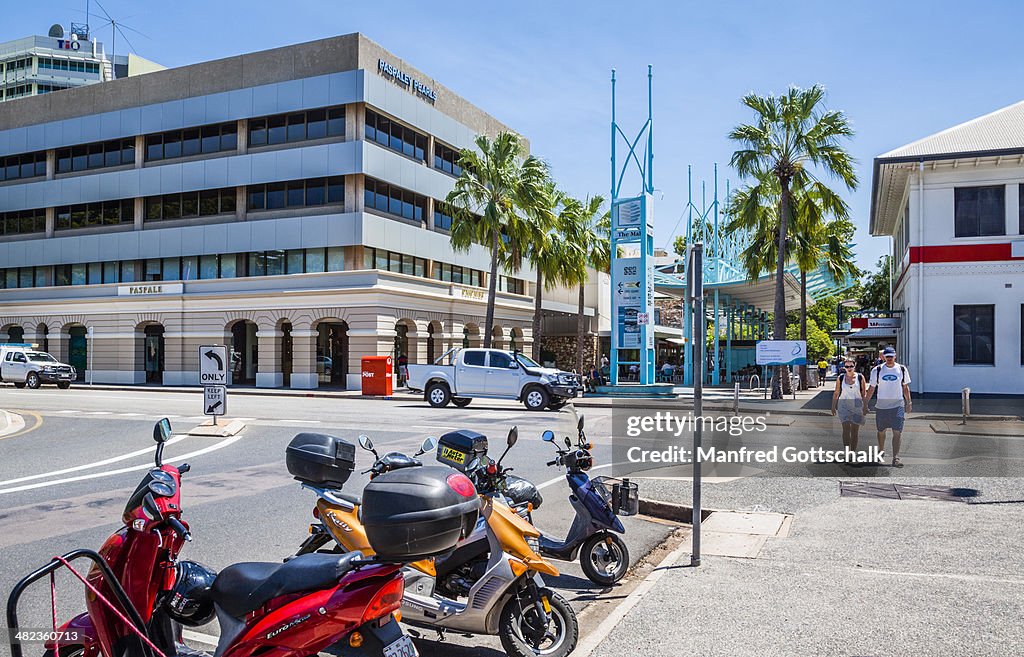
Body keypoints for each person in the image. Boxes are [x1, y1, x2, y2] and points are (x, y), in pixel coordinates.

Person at [865, 346, 912, 467]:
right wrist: (865, 403)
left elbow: (905, 387)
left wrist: (909, 402)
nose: (889, 358)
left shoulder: (901, 369)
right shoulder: (877, 370)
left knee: (897, 432)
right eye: (887, 356)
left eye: (891, 356)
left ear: (895, 356)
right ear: (884, 357)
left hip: (898, 405)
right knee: (881, 431)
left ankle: (896, 457)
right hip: (881, 407)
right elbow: (871, 388)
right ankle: (881, 451)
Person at [831, 358, 867, 454]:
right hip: (844, 406)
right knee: (846, 430)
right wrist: (833, 406)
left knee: (855, 432)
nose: (849, 368)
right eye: (847, 366)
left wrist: (865, 406)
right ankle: (847, 452)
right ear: (844, 367)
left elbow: (864, 393)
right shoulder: (841, 378)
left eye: (851, 366)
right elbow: (836, 392)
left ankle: (852, 452)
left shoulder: (860, 377)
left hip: (857, 406)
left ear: (854, 367)